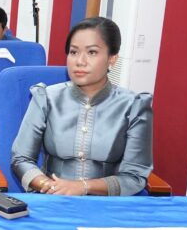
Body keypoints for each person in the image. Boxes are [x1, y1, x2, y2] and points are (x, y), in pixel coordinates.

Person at [11, 17, 152, 196]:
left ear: (112, 58)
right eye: (73, 52)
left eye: (92, 52)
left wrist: (83, 187)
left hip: (107, 203)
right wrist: (52, 187)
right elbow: (21, 159)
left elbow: (135, 176)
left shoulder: (134, 106)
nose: (80, 61)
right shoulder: (46, 98)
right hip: (52, 198)